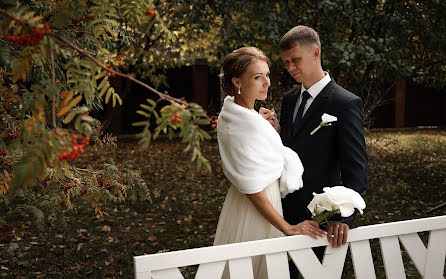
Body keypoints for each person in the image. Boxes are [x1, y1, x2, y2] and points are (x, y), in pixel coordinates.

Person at [213, 46, 326, 279]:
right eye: (257, 77)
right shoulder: (244, 124)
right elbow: (252, 186)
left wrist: (262, 124)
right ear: (237, 81)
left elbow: (252, 137)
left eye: (267, 75)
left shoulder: (240, 115)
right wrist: (287, 227)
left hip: (261, 201)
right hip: (256, 208)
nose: (267, 83)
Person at [261, 25, 368, 260]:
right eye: (286, 62)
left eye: (295, 60)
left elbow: (355, 167)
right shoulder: (289, 100)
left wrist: (343, 219)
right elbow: (292, 148)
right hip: (284, 212)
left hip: (322, 219)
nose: (290, 68)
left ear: (316, 53)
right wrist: (277, 133)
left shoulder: (345, 103)